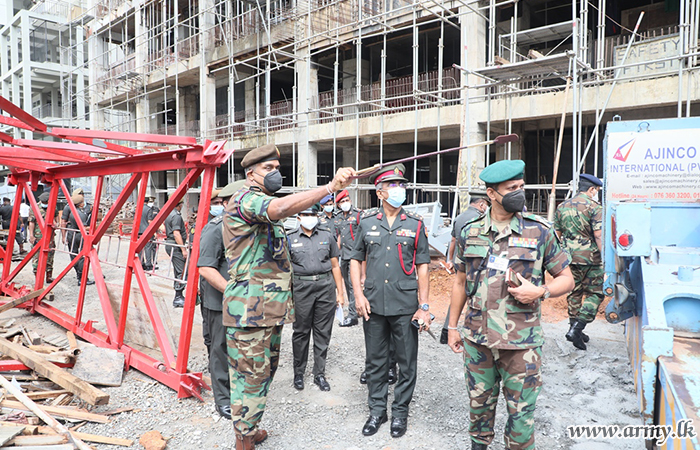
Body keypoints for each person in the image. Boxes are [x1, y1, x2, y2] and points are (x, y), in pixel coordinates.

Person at [221, 143, 354, 450]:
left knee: (263, 371)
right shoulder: (246, 199)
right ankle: (244, 438)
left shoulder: (260, 200)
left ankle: (250, 427)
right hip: (249, 311)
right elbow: (280, 209)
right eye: (268, 169)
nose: (275, 173)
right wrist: (329, 187)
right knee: (250, 375)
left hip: (267, 309)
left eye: (278, 169)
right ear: (250, 173)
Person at [447, 159, 574, 450]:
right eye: (511, 188)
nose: (520, 192)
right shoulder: (470, 231)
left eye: (521, 186)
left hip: (522, 345)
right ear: (491, 194)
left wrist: (541, 292)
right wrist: (452, 327)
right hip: (478, 340)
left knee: (521, 418)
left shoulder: (539, 231)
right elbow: (459, 282)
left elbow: (566, 278)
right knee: (479, 409)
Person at [350, 163, 431, 439]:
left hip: (405, 305)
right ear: (380, 192)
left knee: (407, 362)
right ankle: (377, 411)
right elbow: (354, 259)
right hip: (372, 303)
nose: (400, 190)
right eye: (394, 186)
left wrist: (424, 305)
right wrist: (358, 295)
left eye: (402, 185)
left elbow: (422, 267)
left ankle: (400, 413)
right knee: (375, 361)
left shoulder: (416, 225)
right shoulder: (366, 222)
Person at [197, 181, 244, 420]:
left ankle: (241, 390)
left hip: (246, 303)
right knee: (220, 349)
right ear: (226, 203)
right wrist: (232, 291)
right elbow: (206, 268)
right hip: (220, 301)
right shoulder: (216, 228)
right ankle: (223, 399)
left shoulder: (246, 226)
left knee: (242, 347)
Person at [288, 204, 344, 392]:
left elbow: (335, 265)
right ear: (298, 218)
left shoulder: (327, 236)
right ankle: (298, 373)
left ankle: (319, 374)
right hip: (301, 288)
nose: (309, 217)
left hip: (325, 287)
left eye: (313, 214)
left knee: (322, 333)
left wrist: (340, 293)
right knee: (301, 332)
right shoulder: (290, 238)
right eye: (305, 214)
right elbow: (285, 270)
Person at [553, 173, 604, 350]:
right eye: (596, 190)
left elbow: (556, 235)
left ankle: (574, 330)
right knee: (595, 294)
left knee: (574, 293)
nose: (595, 193)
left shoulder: (562, 206)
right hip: (591, 259)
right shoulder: (595, 208)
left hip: (568, 258)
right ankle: (578, 328)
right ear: (591, 189)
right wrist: (605, 258)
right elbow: (598, 235)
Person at [440, 194, 490, 344]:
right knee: (476, 293)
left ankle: (447, 329)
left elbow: (453, 240)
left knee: (460, 291)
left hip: (459, 261)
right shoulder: (480, 220)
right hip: (477, 262)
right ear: (481, 204)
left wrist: (450, 259)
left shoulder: (459, 217)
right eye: (486, 205)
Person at [334, 189, 362, 327]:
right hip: (344, 255)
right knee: (346, 284)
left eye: (347, 200)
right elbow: (339, 235)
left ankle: (352, 315)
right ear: (338, 205)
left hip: (355, 256)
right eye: (342, 202)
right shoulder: (338, 217)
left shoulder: (358, 215)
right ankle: (356, 308)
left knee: (352, 284)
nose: (345, 203)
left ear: (350, 201)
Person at [61, 189, 94, 286]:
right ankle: (81, 275)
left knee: (83, 255)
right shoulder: (69, 207)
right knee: (76, 255)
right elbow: (63, 221)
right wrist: (64, 235)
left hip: (82, 234)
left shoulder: (89, 206)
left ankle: (82, 275)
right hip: (74, 233)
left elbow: (92, 220)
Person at [28, 192, 56, 283]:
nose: (43, 202)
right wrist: (31, 235)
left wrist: (56, 224)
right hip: (38, 236)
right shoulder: (35, 208)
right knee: (36, 258)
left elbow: (55, 219)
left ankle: (49, 276)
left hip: (50, 237)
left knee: (50, 256)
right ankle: (37, 278)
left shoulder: (53, 207)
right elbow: (31, 222)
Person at [164, 199, 187, 308]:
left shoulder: (169, 214)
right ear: (180, 204)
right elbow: (176, 233)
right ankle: (178, 297)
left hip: (170, 244)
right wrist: (183, 249)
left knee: (178, 270)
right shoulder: (176, 216)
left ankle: (179, 295)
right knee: (182, 271)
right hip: (175, 246)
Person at [138, 196, 154, 270]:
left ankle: (141, 263)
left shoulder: (137, 209)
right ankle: (148, 264)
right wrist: (153, 232)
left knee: (140, 248)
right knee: (148, 247)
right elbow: (149, 221)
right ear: (148, 201)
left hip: (138, 231)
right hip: (146, 231)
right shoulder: (148, 209)